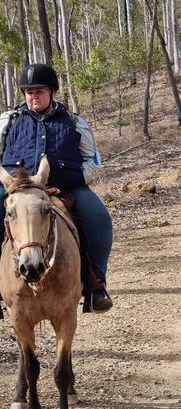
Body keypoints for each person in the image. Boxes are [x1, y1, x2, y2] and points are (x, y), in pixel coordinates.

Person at [0, 64, 114, 311]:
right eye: (29, 92)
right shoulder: (8, 121)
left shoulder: (74, 121)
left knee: (99, 218)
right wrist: (10, 185)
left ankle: (95, 285)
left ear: (52, 91)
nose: (33, 96)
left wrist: (66, 183)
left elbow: (92, 162)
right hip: (13, 191)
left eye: (39, 91)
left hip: (64, 190)